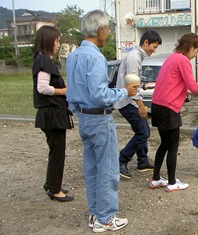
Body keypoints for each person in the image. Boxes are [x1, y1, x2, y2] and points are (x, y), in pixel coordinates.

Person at [66, 10, 138, 233]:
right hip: (99, 118)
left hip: (84, 118)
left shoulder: (73, 56)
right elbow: (100, 94)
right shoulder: (95, 56)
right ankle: (106, 218)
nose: (107, 33)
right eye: (107, 29)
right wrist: (123, 91)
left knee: (92, 168)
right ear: (100, 30)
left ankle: (95, 213)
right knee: (107, 169)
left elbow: (72, 92)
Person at [149, 33, 198, 192]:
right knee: (173, 146)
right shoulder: (183, 60)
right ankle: (171, 183)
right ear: (191, 48)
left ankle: (156, 178)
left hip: (157, 105)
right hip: (169, 108)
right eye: (196, 51)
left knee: (164, 143)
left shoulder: (172, 57)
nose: (195, 55)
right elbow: (194, 88)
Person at [32, 25, 74, 202]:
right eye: (56, 40)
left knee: (55, 151)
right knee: (58, 152)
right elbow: (42, 88)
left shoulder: (42, 60)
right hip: (52, 114)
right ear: (47, 41)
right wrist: (64, 91)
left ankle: (51, 183)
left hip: (51, 114)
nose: (57, 44)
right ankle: (55, 190)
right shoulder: (44, 61)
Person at [114, 30, 162, 179]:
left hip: (129, 100)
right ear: (145, 42)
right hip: (128, 102)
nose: (154, 51)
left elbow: (135, 83)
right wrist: (141, 105)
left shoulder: (136, 56)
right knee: (143, 132)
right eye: (153, 47)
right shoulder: (134, 57)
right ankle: (121, 161)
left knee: (142, 130)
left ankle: (142, 161)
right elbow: (132, 85)